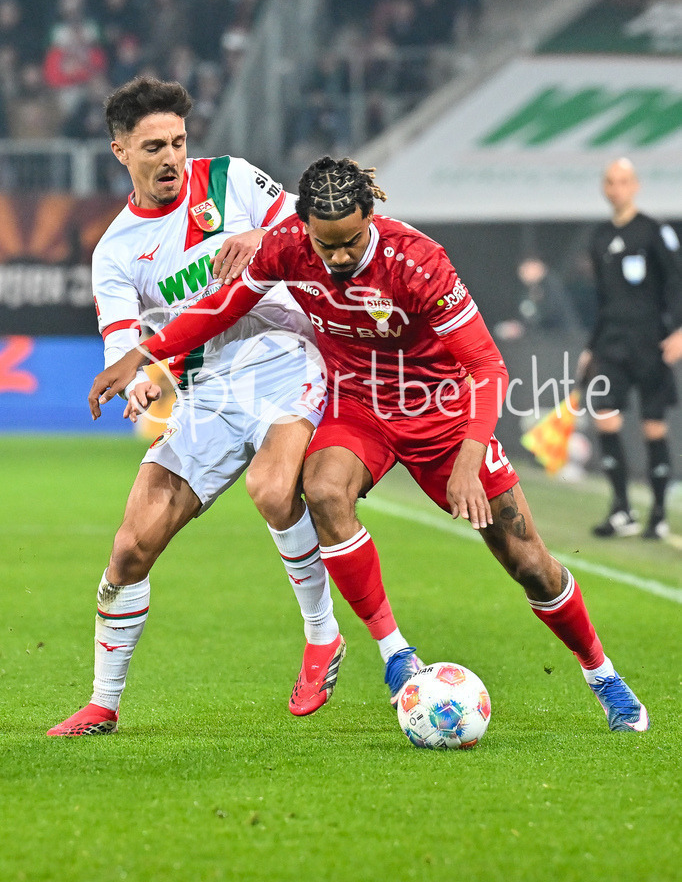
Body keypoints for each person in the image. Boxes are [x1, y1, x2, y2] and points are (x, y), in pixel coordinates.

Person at [92, 155, 650, 733]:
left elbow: (487, 368)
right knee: (323, 490)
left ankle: (602, 674)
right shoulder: (287, 246)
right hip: (358, 406)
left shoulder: (418, 262)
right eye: (326, 245)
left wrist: (468, 460)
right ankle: (395, 652)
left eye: (351, 242)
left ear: (371, 217)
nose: (338, 258)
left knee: (528, 562)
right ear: (304, 225)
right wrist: (144, 353)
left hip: (439, 413)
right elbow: (220, 308)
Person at [48, 77, 352, 736]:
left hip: (283, 360)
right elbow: (121, 340)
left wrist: (263, 239)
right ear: (120, 152)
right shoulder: (115, 251)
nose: (171, 159)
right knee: (131, 548)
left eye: (179, 143)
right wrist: (138, 379)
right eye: (153, 146)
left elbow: (315, 227)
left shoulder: (231, 180)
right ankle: (103, 702)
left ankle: (322, 634)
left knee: (273, 489)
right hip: (204, 395)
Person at [577, 158, 682, 540]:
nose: (616, 188)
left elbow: (676, 282)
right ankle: (622, 509)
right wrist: (591, 346)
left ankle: (658, 514)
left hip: (650, 343)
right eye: (610, 181)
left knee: (653, 426)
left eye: (623, 181)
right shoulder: (599, 237)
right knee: (604, 418)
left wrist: (679, 331)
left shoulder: (654, 231)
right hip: (611, 344)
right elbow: (603, 299)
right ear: (604, 187)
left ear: (635, 185)